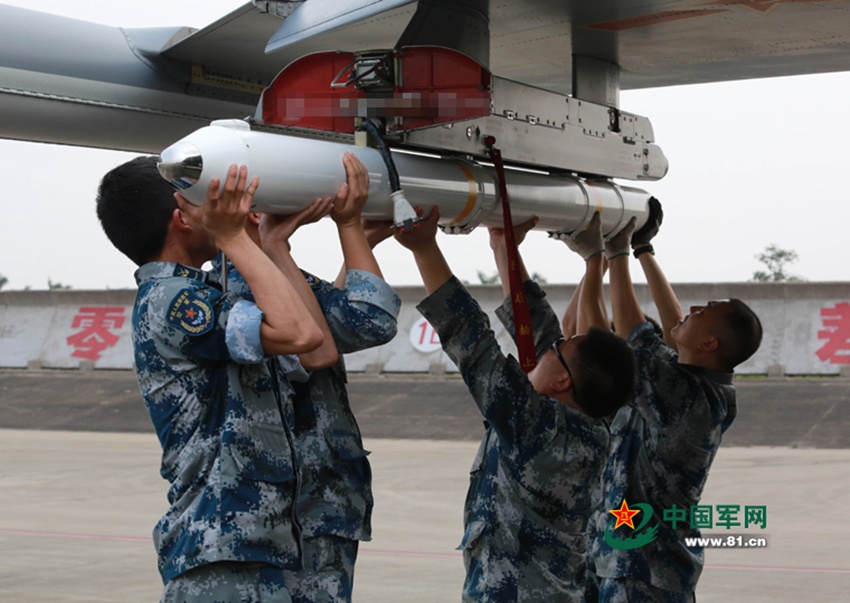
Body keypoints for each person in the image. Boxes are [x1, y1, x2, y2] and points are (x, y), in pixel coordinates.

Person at [96, 156, 326, 602]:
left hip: (248, 549)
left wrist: (270, 242)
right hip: (220, 551)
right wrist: (234, 236)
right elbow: (299, 333)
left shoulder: (199, 291)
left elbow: (315, 352)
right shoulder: (174, 300)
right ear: (183, 218)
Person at [395, 206, 636, 602]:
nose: (550, 348)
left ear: (561, 382)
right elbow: (539, 330)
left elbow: (472, 340)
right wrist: (504, 249)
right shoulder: (590, 422)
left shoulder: (539, 429)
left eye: (557, 350)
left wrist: (425, 249)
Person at [211, 153, 401, 602]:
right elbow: (363, 323)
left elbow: (334, 318)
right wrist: (346, 228)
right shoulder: (244, 288)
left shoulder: (240, 286)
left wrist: (362, 239)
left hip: (295, 507)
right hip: (307, 506)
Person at [586, 198, 763, 602]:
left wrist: (615, 254)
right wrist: (642, 249)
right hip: (637, 565)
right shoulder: (704, 386)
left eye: (705, 311)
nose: (692, 309)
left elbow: (633, 333)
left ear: (709, 343)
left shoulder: (686, 398)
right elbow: (672, 330)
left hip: (642, 572)